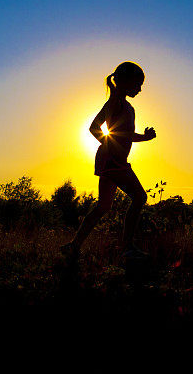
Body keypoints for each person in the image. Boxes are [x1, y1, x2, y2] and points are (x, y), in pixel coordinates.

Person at [61, 61, 156, 259]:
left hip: (110, 161)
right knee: (139, 197)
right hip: (113, 161)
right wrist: (110, 147)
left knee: (103, 206)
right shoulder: (115, 102)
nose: (140, 89)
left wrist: (144, 138)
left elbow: (125, 135)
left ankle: (74, 245)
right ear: (126, 81)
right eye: (138, 84)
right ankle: (127, 247)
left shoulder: (127, 107)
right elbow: (94, 128)